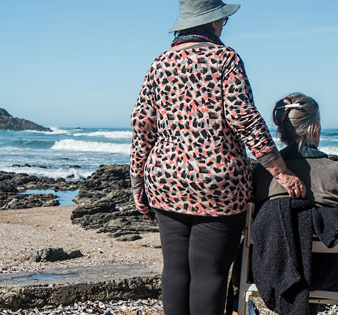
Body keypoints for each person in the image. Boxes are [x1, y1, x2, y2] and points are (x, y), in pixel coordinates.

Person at [129, 1, 307, 314]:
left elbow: (143, 124)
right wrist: (280, 171)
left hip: (165, 179)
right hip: (219, 183)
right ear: (214, 23)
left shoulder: (159, 63)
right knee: (209, 271)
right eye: (223, 20)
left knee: (174, 269)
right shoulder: (225, 58)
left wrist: (137, 181)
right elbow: (243, 116)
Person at [252, 93, 338, 314]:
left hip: (268, 274)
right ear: (315, 128)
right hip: (330, 276)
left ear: (281, 131)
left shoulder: (261, 174)